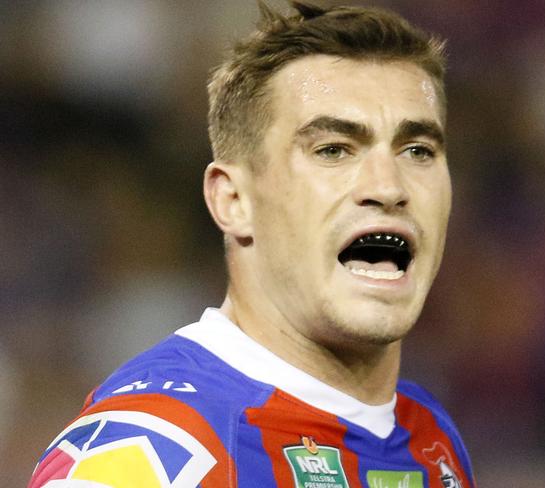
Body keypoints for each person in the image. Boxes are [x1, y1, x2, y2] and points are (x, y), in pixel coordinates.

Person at [29, 2, 476, 487]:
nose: (389, 186)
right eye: (333, 150)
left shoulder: (430, 438)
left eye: (418, 151)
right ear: (233, 200)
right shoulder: (158, 450)